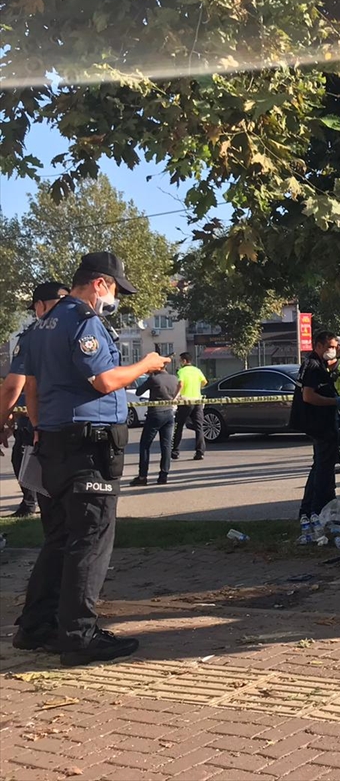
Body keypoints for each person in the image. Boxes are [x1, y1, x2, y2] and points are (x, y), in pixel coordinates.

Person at [13, 252, 170, 665]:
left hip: (54, 442)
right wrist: (146, 364)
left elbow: (30, 387)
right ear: (100, 283)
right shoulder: (83, 321)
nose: (115, 299)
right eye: (115, 289)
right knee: (90, 540)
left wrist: (40, 427)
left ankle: (36, 627)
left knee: (60, 538)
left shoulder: (40, 326)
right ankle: (79, 636)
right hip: (88, 447)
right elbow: (103, 380)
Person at [1, 282, 69, 518]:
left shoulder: (35, 335)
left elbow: (14, 386)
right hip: (83, 425)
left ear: (40, 305)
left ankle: (32, 505)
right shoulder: (86, 327)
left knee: (31, 468)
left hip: (42, 424)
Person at [289, 330, 340, 530]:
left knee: (319, 468)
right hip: (319, 424)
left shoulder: (313, 363)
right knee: (324, 471)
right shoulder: (314, 366)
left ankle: (307, 511)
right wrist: (334, 401)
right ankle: (318, 510)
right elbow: (309, 396)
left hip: (317, 423)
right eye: (330, 346)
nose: (334, 350)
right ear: (319, 345)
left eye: (336, 347)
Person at [131, 361, 179, 486]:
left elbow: (138, 392)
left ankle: (142, 476)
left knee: (145, 445)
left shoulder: (154, 379)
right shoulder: (174, 378)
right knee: (166, 446)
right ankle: (163, 476)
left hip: (155, 414)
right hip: (169, 413)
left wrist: (149, 377)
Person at [170, 352, 207, 461]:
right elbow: (204, 382)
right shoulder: (197, 370)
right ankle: (200, 452)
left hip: (185, 401)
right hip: (198, 401)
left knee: (179, 425)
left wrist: (175, 397)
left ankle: (175, 451)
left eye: (180, 360)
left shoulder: (182, 371)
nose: (179, 362)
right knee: (199, 427)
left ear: (184, 361)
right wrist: (196, 387)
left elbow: (180, 384)